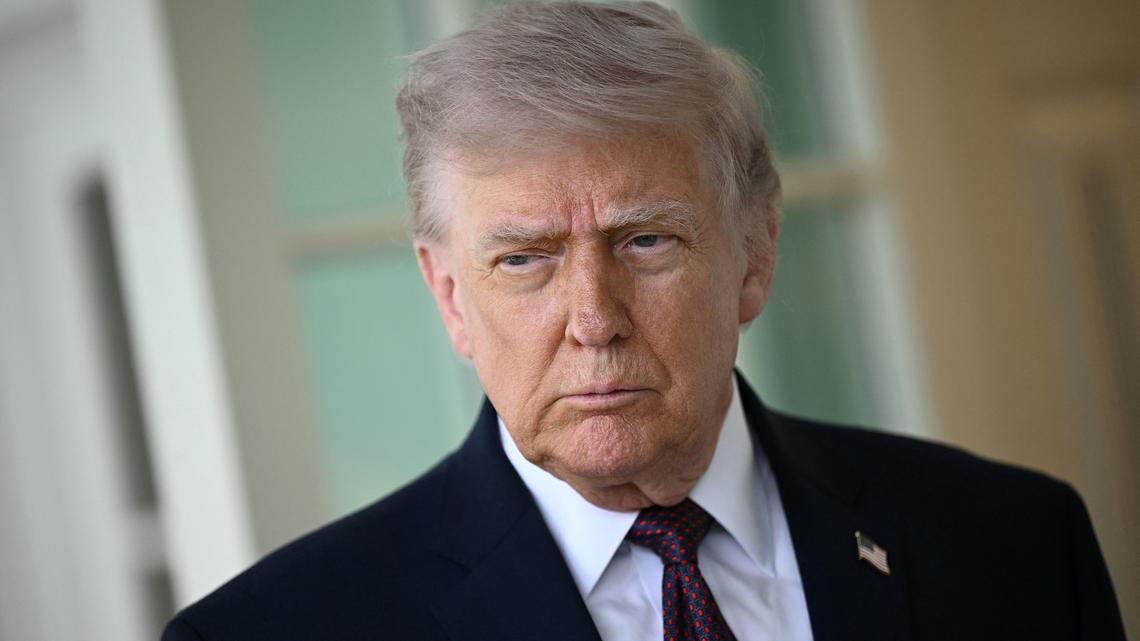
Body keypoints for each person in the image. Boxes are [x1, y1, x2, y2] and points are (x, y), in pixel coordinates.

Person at [161, 3, 1125, 640]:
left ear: (754, 252)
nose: (593, 319)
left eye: (647, 241)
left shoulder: (1017, 543)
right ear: (451, 296)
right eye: (524, 259)